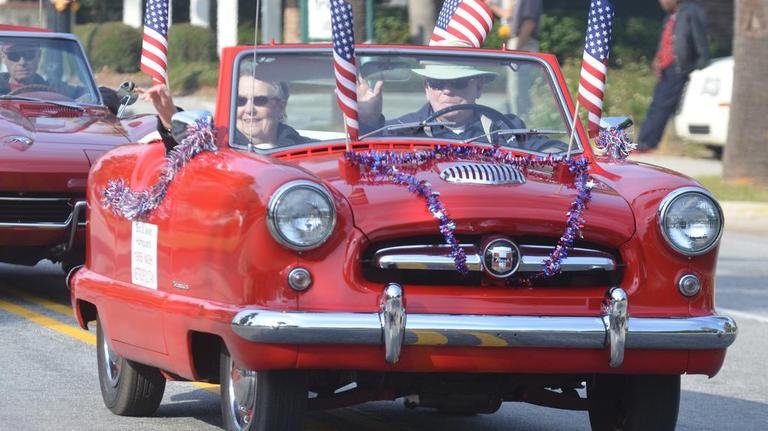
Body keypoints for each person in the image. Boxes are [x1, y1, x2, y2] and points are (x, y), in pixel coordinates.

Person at [358, 60, 525, 142]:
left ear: (479, 87)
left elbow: (547, 154)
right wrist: (368, 121)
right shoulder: (400, 131)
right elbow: (364, 156)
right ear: (426, 88)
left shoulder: (507, 128)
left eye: (458, 82)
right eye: (437, 83)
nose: (446, 90)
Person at [141, 75, 310, 152]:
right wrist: (169, 115)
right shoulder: (215, 146)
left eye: (260, 100)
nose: (249, 109)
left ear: (280, 107)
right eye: (241, 101)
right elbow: (182, 153)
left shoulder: (306, 149)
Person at [637, 0, 709, 152]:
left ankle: (647, 144)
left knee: (662, 106)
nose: (661, 3)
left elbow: (699, 38)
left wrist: (702, 62)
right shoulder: (670, 17)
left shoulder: (689, 12)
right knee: (656, 105)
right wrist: (657, 59)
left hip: (678, 67)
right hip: (665, 67)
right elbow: (666, 41)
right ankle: (643, 141)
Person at [485, 0, 543, 115]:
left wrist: (515, 50)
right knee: (514, 91)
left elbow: (529, 23)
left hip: (524, 44)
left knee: (519, 92)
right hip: (520, 42)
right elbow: (509, 15)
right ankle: (518, 121)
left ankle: (522, 125)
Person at [0, 40, 85, 99]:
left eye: (29, 54)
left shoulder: (55, 88)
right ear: (3, 57)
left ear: (39, 56)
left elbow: (88, 96)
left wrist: (86, 97)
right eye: (14, 55)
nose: (22, 62)